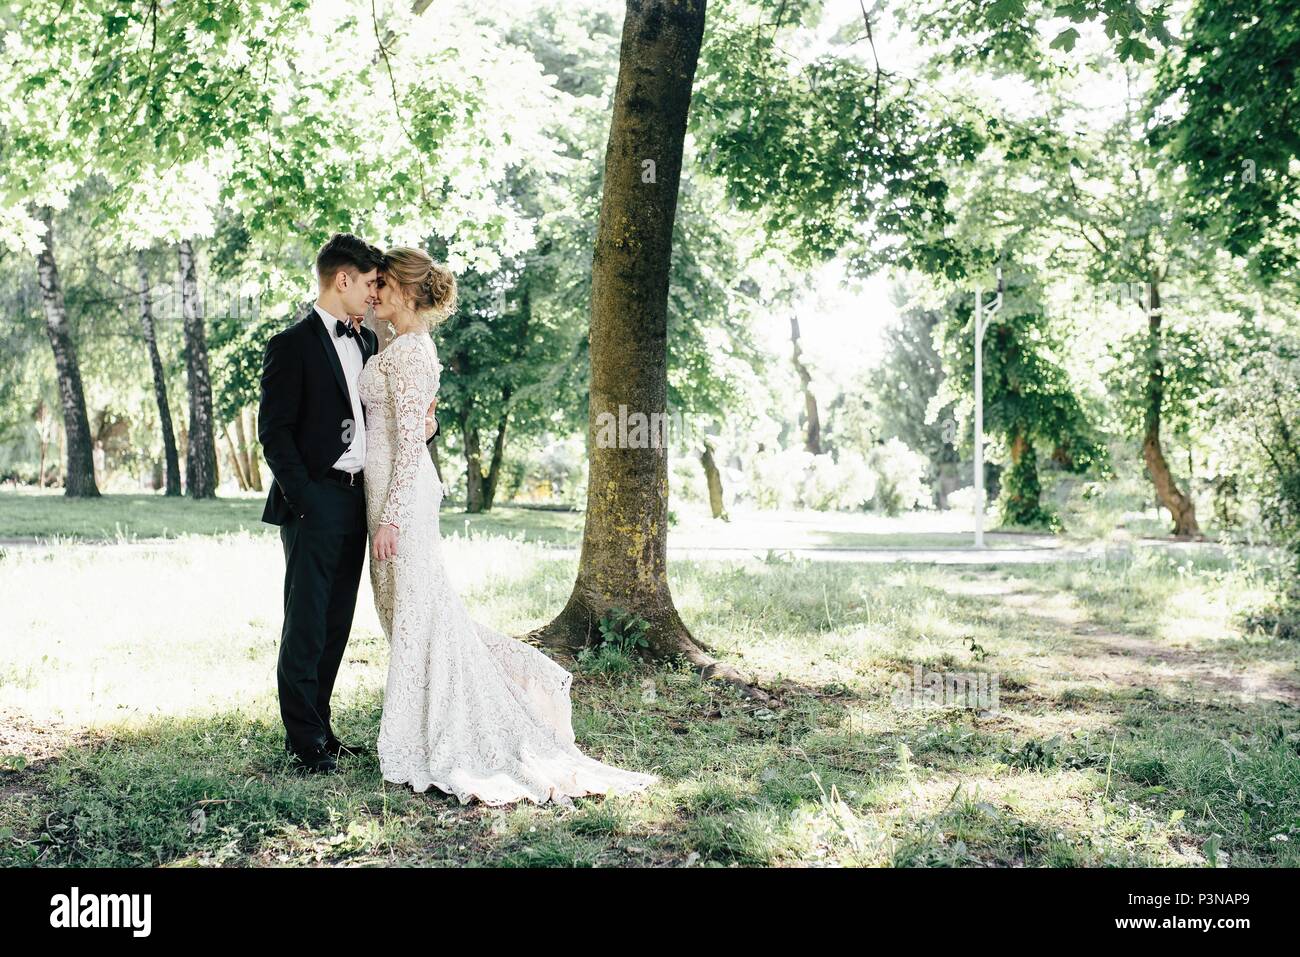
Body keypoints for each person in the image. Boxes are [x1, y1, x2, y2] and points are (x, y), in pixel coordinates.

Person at [357, 245, 659, 806]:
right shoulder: (398, 346)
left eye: (383, 286)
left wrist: (392, 517)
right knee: (409, 610)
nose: (373, 294)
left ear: (405, 290)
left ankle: (437, 729)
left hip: (401, 499)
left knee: (422, 610)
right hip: (384, 491)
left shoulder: (414, 354)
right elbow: (413, 426)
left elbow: (406, 451)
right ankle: (426, 716)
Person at [257, 233, 436, 774]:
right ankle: (303, 739)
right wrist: (306, 498)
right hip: (314, 500)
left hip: (361, 497)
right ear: (343, 279)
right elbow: (274, 432)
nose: (374, 294)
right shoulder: (291, 345)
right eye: (368, 283)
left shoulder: (368, 341)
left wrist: (426, 423)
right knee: (307, 620)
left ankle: (323, 729)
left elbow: (403, 413)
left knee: (337, 621)